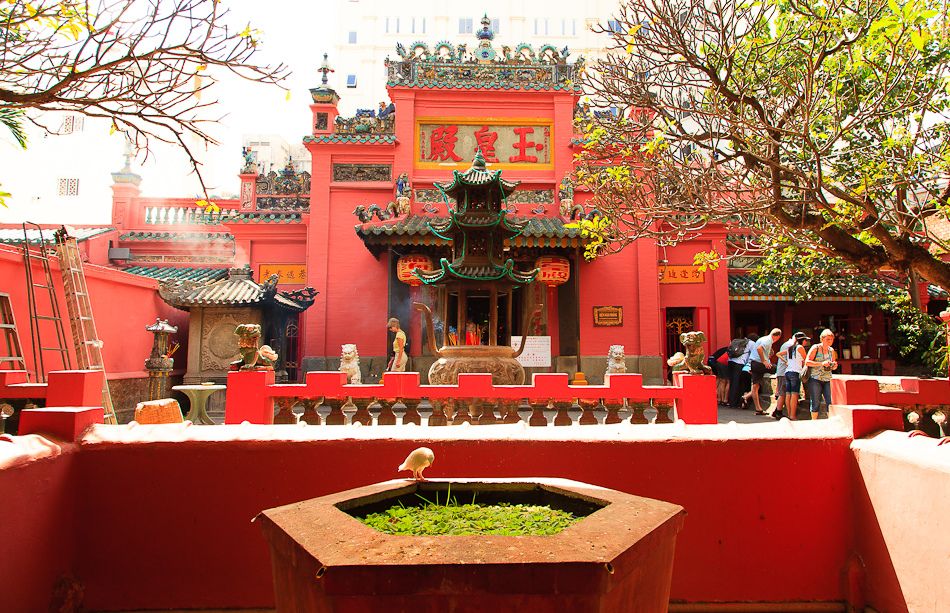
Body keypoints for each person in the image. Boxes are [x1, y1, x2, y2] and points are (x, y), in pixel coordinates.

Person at [744, 328, 782, 415]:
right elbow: (759, 349)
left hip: (754, 363)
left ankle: (758, 409)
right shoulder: (768, 340)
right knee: (778, 369)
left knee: (755, 386)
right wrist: (764, 361)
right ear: (777, 336)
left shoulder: (762, 338)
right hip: (760, 363)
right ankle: (777, 391)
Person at [805, 329, 838, 419]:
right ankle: (814, 422)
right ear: (822, 339)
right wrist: (821, 363)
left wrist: (834, 366)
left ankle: (830, 421)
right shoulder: (815, 348)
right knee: (815, 401)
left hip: (827, 379)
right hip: (815, 378)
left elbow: (833, 363)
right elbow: (807, 362)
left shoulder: (831, 351)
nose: (830, 341)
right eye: (828, 339)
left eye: (831, 339)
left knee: (829, 401)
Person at [783, 332, 810, 420]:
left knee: (788, 394)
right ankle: (792, 415)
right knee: (794, 394)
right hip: (795, 372)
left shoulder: (790, 348)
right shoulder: (800, 347)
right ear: (802, 340)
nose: (806, 342)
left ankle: (789, 413)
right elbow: (806, 360)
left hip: (787, 372)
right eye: (805, 340)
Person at [728, 333, 757, 408]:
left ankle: (731, 401)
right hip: (739, 363)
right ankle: (735, 403)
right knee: (737, 383)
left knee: (732, 382)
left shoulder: (740, 341)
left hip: (730, 361)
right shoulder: (752, 343)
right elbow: (754, 355)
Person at [772, 333, 796, 418]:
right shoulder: (790, 345)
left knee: (782, 392)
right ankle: (778, 411)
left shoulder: (786, 344)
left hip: (781, 371)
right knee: (783, 393)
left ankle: (776, 410)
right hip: (783, 372)